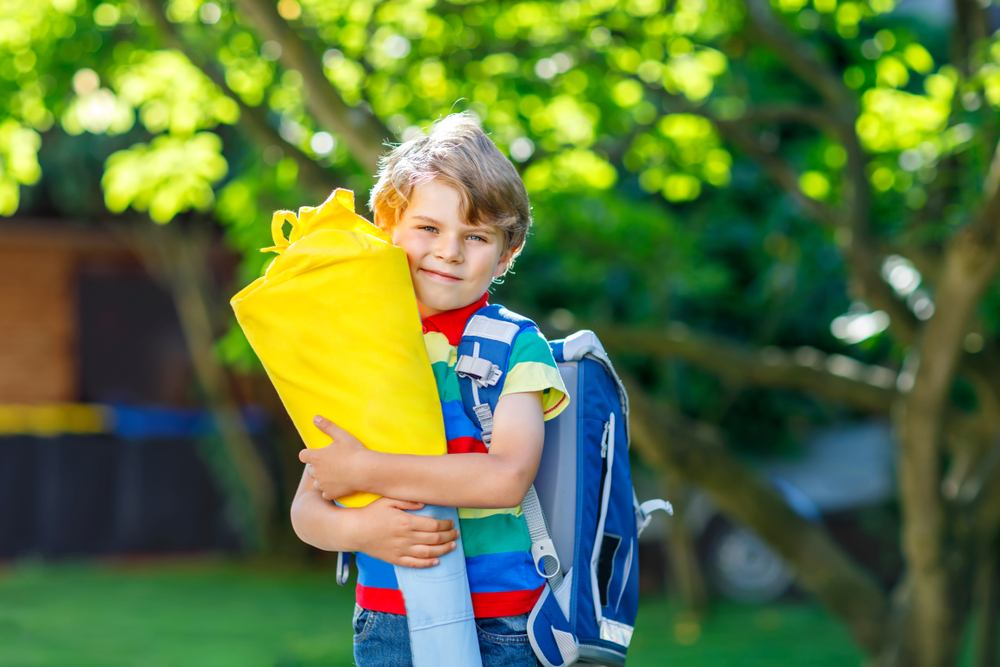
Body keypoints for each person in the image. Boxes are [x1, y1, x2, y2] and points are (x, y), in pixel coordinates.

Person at [290, 112, 569, 667]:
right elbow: (307, 507)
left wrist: (366, 471)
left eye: (476, 236)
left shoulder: (515, 345)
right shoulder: (363, 352)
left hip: (505, 623)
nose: (449, 252)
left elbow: (506, 479)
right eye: (428, 228)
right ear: (388, 225)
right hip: (389, 621)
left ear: (506, 253)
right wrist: (361, 528)